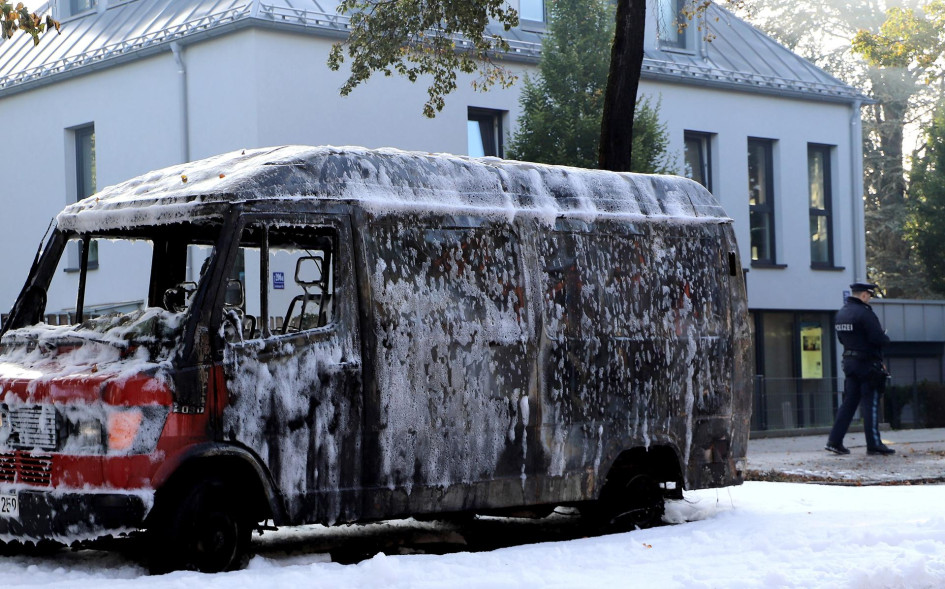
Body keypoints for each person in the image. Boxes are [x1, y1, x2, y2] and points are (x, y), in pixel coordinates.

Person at [826, 282, 895, 456]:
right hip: (867, 364)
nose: (869, 299)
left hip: (849, 363)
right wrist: (885, 339)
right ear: (864, 295)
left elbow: (842, 340)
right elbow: (876, 337)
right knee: (870, 404)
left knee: (848, 403)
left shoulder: (842, 313)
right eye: (869, 296)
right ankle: (874, 444)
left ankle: (834, 441)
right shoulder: (864, 313)